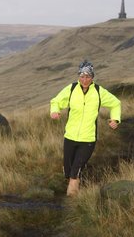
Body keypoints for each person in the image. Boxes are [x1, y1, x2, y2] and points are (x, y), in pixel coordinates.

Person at [49, 60, 121, 196]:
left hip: (88, 139)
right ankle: (74, 188)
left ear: (92, 77)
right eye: (82, 76)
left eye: (88, 76)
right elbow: (56, 101)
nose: (85, 80)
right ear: (79, 76)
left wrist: (115, 119)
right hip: (70, 137)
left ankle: (71, 198)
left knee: (75, 171)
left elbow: (115, 103)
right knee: (68, 171)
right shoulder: (71, 89)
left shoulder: (99, 91)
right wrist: (54, 111)